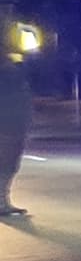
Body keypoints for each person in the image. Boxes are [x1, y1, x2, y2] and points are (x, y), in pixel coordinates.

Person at [0, 25, 32, 221]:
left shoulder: (14, 68)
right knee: (6, 162)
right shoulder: (7, 72)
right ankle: (1, 201)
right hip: (6, 123)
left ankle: (3, 200)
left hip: (16, 122)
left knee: (11, 163)